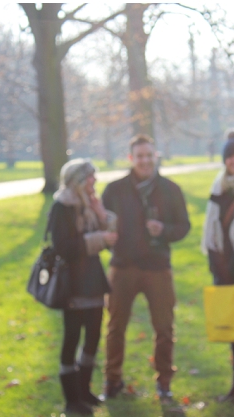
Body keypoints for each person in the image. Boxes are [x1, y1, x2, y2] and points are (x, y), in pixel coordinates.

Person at [101, 134, 191, 401]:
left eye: (149, 155)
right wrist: (107, 238)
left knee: (164, 328)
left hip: (157, 268)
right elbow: (101, 223)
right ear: (131, 158)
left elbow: (184, 226)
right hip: (122, 267)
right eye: (139, 156)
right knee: (115, 328)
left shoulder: (170, 189)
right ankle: (112, 381)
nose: (144, 160)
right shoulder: (114, 190)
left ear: (156, 156)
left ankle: (164, 382)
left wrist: (164, 230)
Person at [48, 158, 118, 415]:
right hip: (73, 283)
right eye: (90, 177)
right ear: (78, 180)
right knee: (72, 338)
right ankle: (72, 399)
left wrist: (101, 215)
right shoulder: (62, 207)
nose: (95, 181)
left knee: (92, 337)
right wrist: (99, 238)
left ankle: (84, 389)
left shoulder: (90, 204)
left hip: (93, 281)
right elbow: (63, 248)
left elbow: (109, 235)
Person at [201, 129, 234, 403]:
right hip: (224, 267)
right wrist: (216, 264)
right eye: (230, 157)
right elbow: (211, 227)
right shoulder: (219, 184)